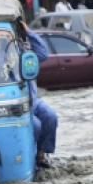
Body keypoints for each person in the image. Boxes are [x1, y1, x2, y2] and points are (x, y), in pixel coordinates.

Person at [17, 20, 59, 168]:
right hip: (18, 102)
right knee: (35, 125)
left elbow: (43, 53)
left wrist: (29, 32)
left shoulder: (25, 53)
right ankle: (28, 157)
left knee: (51, 117)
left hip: (33, 100)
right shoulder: (1, 57)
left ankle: (42, 153)